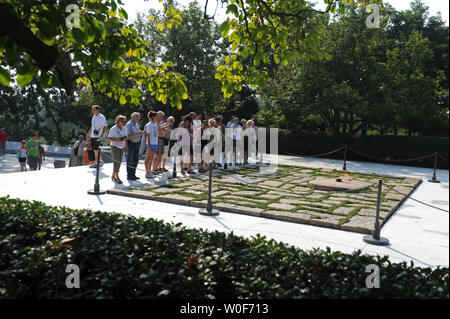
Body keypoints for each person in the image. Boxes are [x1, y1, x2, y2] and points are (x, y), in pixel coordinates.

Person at [108, 115, 128, 184]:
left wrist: (126, 147)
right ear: (118, 121)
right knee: (116, 161)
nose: (123, 122)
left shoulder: (124, 128)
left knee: (119, 162)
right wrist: (117, 140)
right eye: (122, 121)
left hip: (122, 147)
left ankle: (113, 174)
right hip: (115, 146)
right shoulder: (113, 129)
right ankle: (117, 177)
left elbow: (125, 138)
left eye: (124, 121)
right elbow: (109, 138)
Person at [125, 112, 144, 180]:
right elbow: (128, 136)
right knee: (130, 160)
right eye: (137, 117)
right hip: (131, 143)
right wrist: (138, 133)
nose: (138, 118)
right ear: (133, 117)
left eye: (138, 117)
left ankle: (133, 174)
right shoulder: (128, 125)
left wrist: (141, 132)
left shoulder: (136, 124)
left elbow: (137, 133)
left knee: (136, 159)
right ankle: (129, 175)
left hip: (136, 143)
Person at [145, 110, 159, 178]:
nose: (157, 117)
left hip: (155, 143)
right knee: (148, 158)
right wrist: (149, 145)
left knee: (151, 158)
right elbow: (148, 135)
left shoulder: (155, 123)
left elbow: (155, 134)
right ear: (153, 117)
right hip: (150, 144)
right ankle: (147, 172)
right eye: (156, 116)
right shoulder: (149, 125)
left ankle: (150, 172)